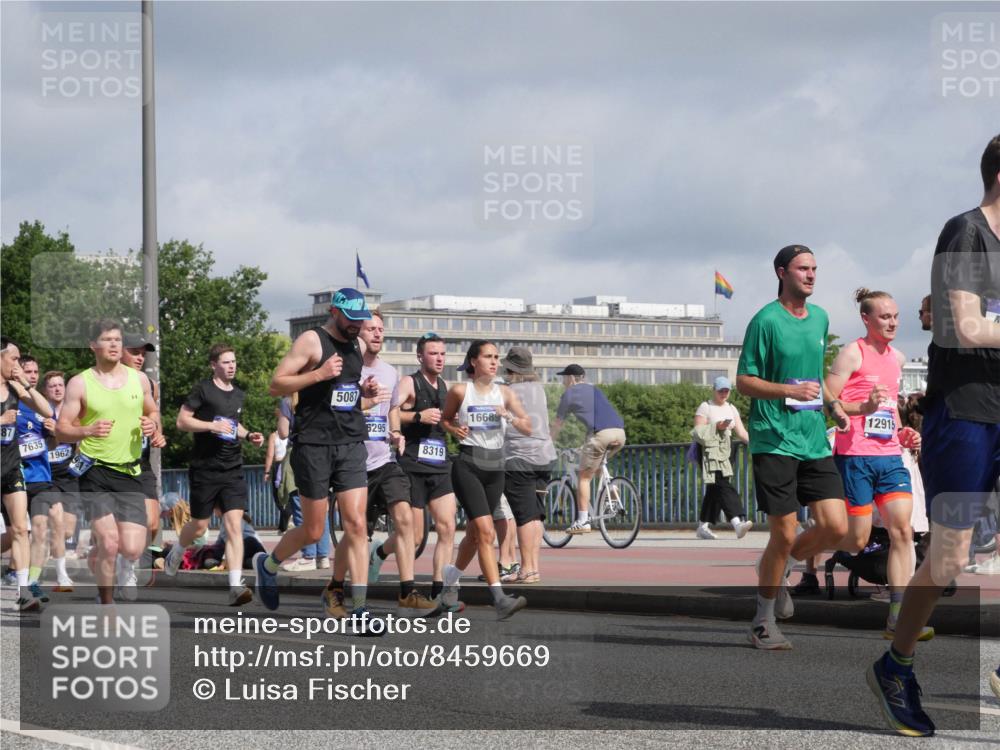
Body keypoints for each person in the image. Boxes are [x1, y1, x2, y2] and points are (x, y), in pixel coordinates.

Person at [869, 134, 1000, 737]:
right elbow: (967, 326)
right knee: (947, 559)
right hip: (968, 413)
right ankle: (896, 666)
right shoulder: (966, 233)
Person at [736, 245, 849, 650]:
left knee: (838, 527)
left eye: (815, 268)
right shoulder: (765, 320)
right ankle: (762, 621)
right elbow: (744, 381)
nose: (811, 274)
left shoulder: (820, 318)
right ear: (782, 272)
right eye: (803, 268)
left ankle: (776, 567)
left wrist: (834, 405)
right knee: (782, 533)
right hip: (774, 438)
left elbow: (814, 375)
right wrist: (787, 389)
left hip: (813, 436)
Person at [259, 288, 381, 628]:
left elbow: (345, 395)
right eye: (352, 320)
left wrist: (364, 394)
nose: (358, 326)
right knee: (313, 530)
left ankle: (359, 609)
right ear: (334, 312)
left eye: (362, 320)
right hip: (313, 445)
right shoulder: (312, 342)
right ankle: (268, 566)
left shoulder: (357, 345)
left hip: (351, 443)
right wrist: (318, 374)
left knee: (356, 524)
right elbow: (276, 384)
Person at [825, 288, 931, 640]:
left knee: (903, 531)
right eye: (885, 317)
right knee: (856, 540)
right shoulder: (851, 353)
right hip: (855, 455)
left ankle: (897, 616)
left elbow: (889, 413)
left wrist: (904, 434)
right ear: (866, 319)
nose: (892, 323)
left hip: (888, 458)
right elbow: (830, 399)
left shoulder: (898, 358)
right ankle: (817, 546)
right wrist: (860, 410)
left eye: (896, 316)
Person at [56, 320, 161, 605]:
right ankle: (107, 604)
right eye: (108, 339)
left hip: (130, 472)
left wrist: (153, 426)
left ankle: (101, 554)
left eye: (117, 339)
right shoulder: (80, 382)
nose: (114, 344)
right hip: (95, 470)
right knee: (111, 541)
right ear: (94, 345)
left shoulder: (139, 380)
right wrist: (86, 430)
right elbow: (61, 428)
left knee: (132, 548)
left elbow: (152, 411)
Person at [164, 344, 263, 606]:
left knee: (234, 526)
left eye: (234, 361)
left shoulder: (239, 394)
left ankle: (235, 586)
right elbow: (181, 421)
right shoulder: (203, 390)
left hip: (232, 469)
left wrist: (248, 434)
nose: (232, 366)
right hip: (205, 468)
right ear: (214, 365)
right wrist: (211, 425)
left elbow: (233, 424)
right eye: (227, 362)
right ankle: (177, 549)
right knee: (199, 524)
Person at [440, 340, 531, 620]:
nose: (494, 362)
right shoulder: (459, 390)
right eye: (487, 357)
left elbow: (528, 427)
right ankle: (499, 598)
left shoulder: (504, 393)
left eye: (496, 357)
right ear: (473, 362)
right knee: (487, 532)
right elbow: (444, 420)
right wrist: (455, 429)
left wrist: (510, 417)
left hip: (496, 468)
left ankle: (450, 580)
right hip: (468, 465)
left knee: (474, 534)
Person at [354, 311, 437, 616]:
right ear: (357, 333)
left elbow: (392, 409)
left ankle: (408, 592)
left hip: (385, 461)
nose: (377, 334)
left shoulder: (389, 372)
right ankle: (352, 596)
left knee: (405, 520)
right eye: (370, 329)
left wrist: (397, 433)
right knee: (359, 534)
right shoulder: (348, 371)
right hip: (353, 466)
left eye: (380, 329)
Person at [391, 333, 463, 612]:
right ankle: (397, 576)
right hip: (412, 466)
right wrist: (417, 416)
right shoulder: (410, 382)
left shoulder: (445, 386)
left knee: (447, 527)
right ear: (420, 356)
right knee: (417, 537)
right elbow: (392, 411)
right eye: (433, 353)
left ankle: (438, 593)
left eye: (442, 354)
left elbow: (444, 421)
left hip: (440, 464)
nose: (439, 358)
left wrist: (456, 427)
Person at [1, 337, 55, 611]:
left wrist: (25, 383)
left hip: (10, 468)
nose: (17, 363)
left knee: (21, 528)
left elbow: (47, 411)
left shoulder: (14, 387)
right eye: (13, 359)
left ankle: (24, 593)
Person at [17, 355, 71, 601]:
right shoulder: (9, 402)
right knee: (16, 533)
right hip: (12, 477)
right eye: (28, 371)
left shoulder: (41, 407)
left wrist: (53, 434)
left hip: (39, 476)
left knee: (41, 530)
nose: (33, 375)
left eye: (36, 371)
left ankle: (33, 582)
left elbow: (51, 445)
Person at [500, 347, 555, 584]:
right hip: (545, 457)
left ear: (511, 369)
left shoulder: (508, 391)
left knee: (523, 516)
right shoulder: (539, 390)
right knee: (535, 516)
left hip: (519, 458)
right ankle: (533, 568)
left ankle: (525, 569)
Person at [550, 364, 627, 534]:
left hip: (600, 435)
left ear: (571, 378)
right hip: (619, 433)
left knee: (583, 478)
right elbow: (598, 418)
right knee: (596, 465)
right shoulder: (595, 390)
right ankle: (613, 490)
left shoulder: (569, 394)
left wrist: (548, 443)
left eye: (564, 378)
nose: (563, 382)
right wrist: (583, 446)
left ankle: (583, 520)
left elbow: (557, 424)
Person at [692, 375, 753, 541]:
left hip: (726, 450)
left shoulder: (732, 409)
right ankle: (737, 523)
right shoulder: (705, 407)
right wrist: (716, 426)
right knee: (722, 484)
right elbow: (698, 430)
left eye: (726, 390)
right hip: (709, 451)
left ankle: (702, 526)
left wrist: (756, 445)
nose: (724, 393)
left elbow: (741, 432)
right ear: (714, 390)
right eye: (721, 390)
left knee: (715, 488)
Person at [121, 334, 165, 557]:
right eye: (134, 352)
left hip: (141, 460)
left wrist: (157, 432)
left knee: (152, 521)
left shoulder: (149, 384)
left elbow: (154, 414)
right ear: (119, 351)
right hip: (114, 462)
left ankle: (124, 558)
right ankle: (120, 557)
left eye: (143, 354)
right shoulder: (106, 382)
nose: (140, 358)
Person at [277, 394, 332, 571]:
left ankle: (308, 555)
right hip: (323, 452)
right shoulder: (322, 396)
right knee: (321, 508)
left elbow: (283, 432)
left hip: (300, 452)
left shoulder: (288, 401)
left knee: (302, 508)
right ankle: (322, 556)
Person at [263, 410, 292, 533]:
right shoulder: (292, 434)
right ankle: (283, 525)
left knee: (278, 496)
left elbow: (270, 455)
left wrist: (267, 472)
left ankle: (288, 516)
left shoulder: (274, 436)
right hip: (291, 464)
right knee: (290, 493)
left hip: (279, 464)